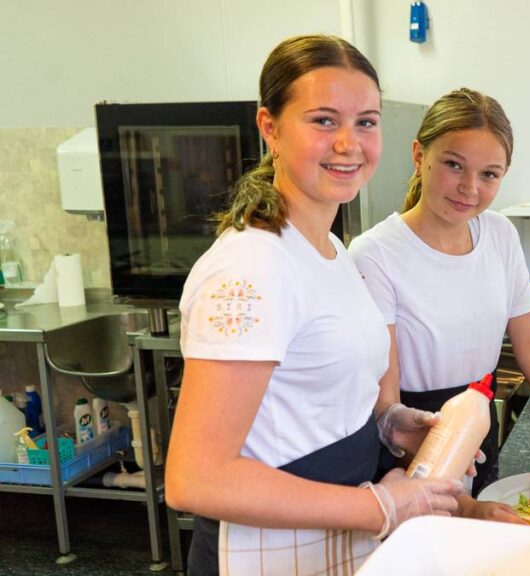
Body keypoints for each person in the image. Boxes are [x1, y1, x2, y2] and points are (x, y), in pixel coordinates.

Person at [164, 35, 464, 575]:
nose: (350, 143)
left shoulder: (330, 252)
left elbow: (308, 400)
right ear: (270, 128)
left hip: (328, 536)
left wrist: (387, 425)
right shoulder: (252, 268)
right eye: (324, 121)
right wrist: (381, 505)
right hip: (264, 552)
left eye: (366, 122)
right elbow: (195, 478)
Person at [349, 87, 530, 524]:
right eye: (453, 165)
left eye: (489, 174)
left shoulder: (500, 235)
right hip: (411, 451)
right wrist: (465, 506)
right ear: (418, 155)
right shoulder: (375, 253)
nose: (470, 188)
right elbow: (387, 410)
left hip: (479, 432)